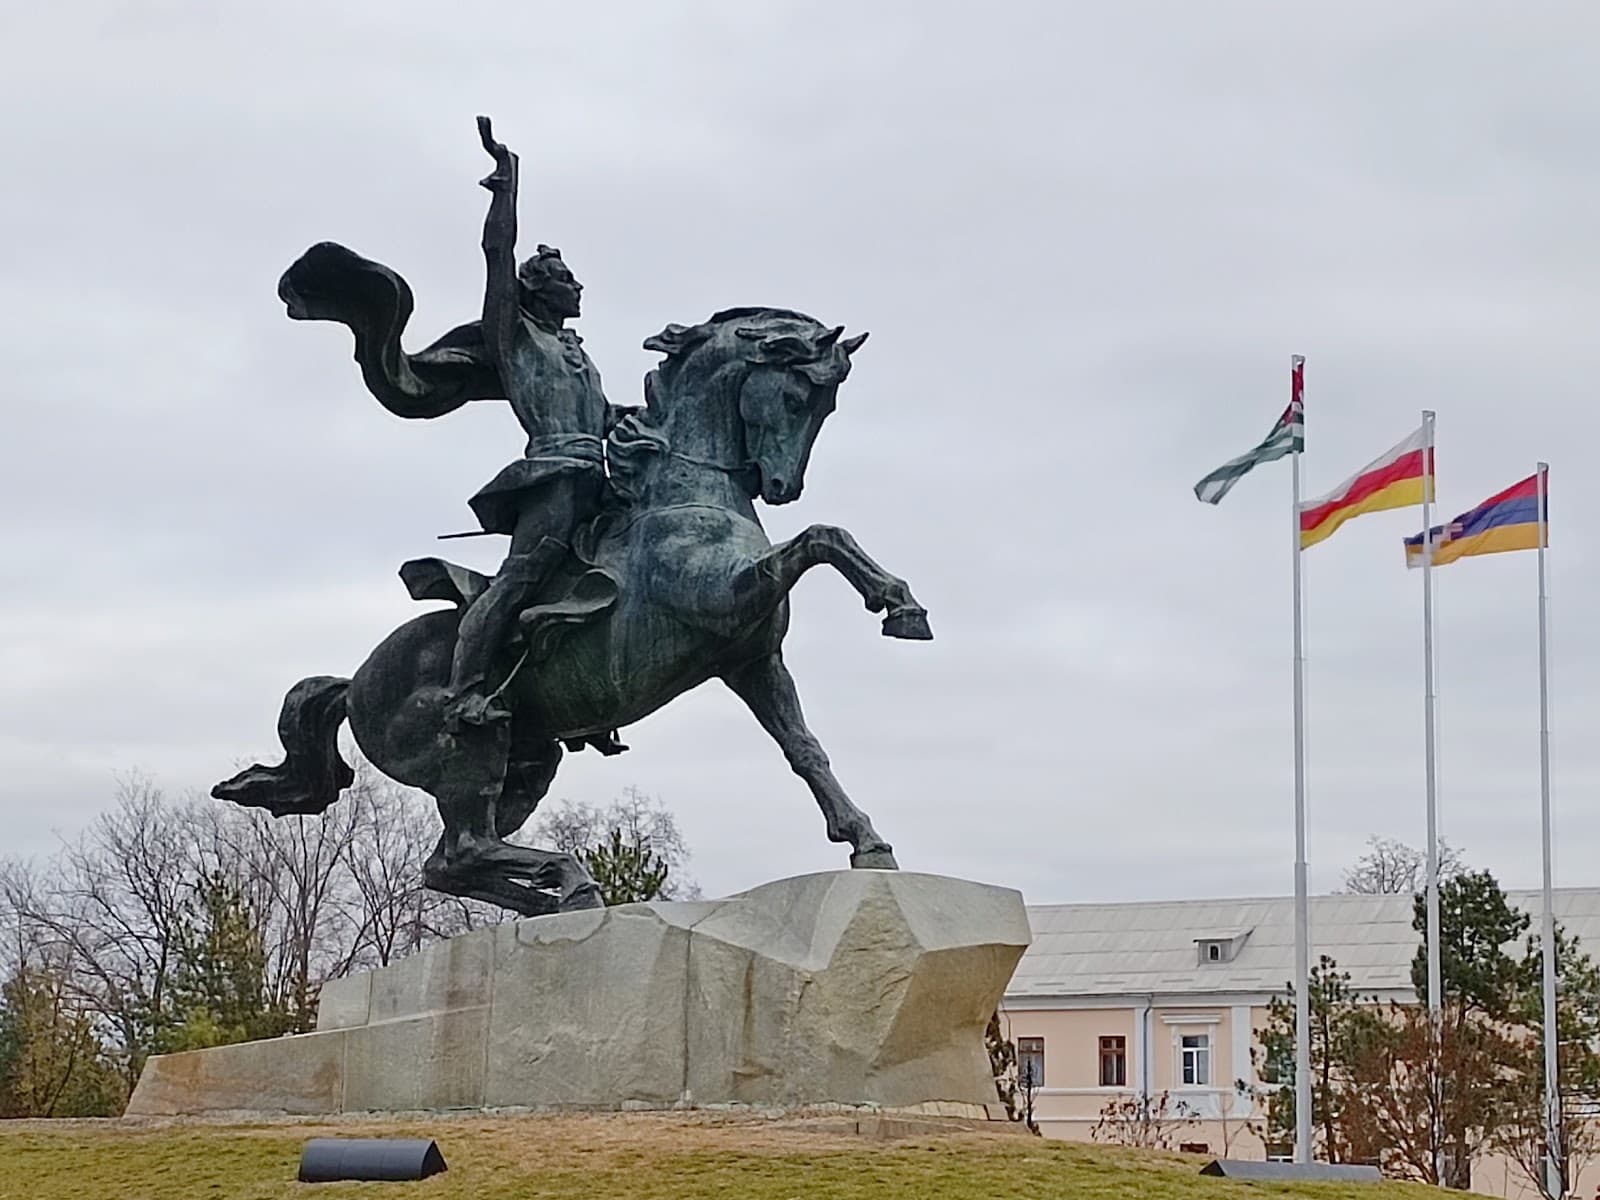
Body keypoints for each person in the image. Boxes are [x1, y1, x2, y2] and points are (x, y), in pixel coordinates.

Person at [439, 116, 615, 730]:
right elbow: (497, 255)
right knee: (525, 576)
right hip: (553, 477)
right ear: (539, 292)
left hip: (599, 481)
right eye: (567, 280)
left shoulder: (578, 353)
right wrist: (506, 189)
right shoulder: (515, 338)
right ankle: (463, 690)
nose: (579, 286)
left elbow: (603, 416)